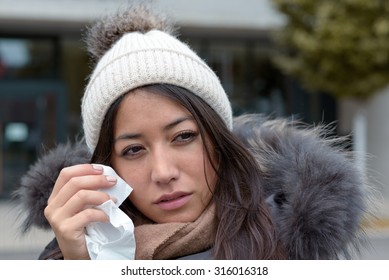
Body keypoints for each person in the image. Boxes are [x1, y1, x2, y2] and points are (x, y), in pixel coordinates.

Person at [13, 1, 368, 260]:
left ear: (218, 140)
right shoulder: (73, 250)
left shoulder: (291, 242)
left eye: (183, 137)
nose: (164, 172)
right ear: (108, 168)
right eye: (133, 150)